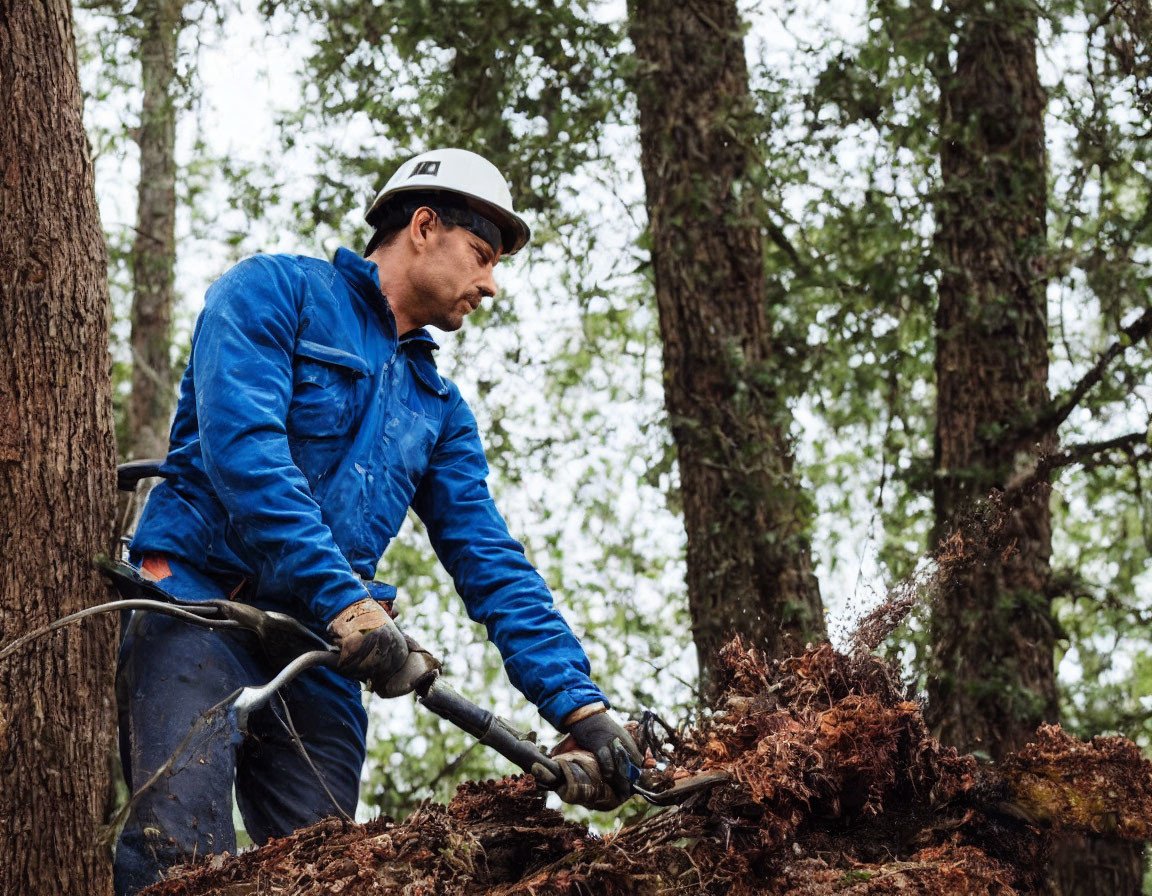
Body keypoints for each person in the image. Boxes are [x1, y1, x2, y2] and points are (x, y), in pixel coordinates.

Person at [113, 148, 642, 894]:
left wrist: (580, 706)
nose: (491, 284)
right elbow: (247, 458)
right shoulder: (273, 293)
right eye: (482, 256)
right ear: (424, 226)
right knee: (178, 856)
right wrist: (345, 599)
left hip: (323, 654)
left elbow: (489, 560)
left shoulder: (438, 409)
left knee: (328, 871)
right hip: (200, 607)